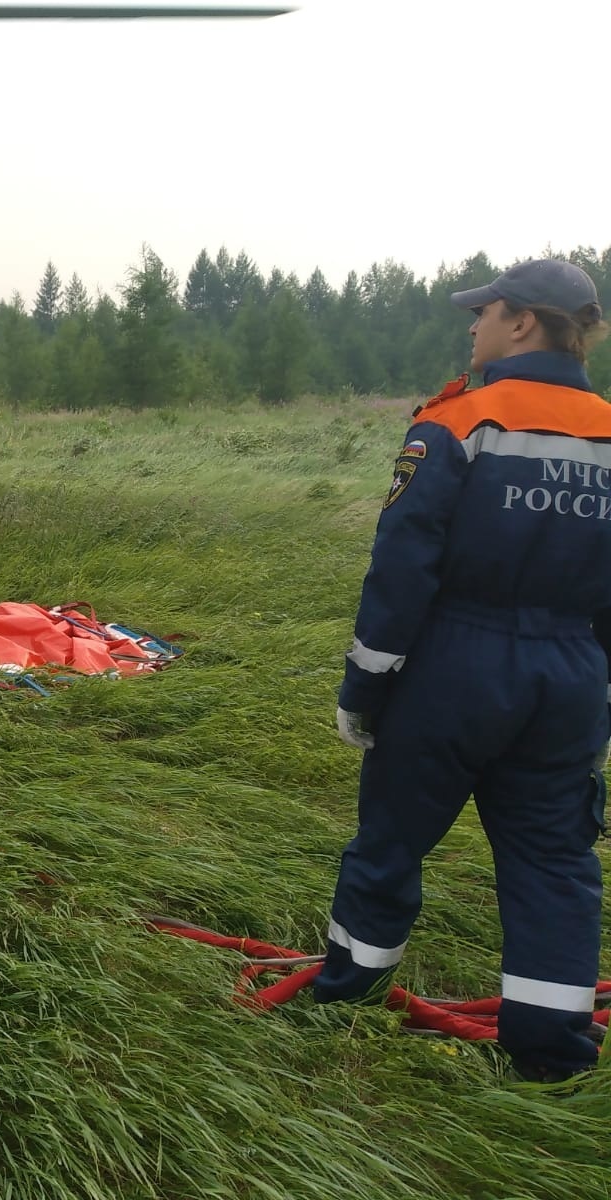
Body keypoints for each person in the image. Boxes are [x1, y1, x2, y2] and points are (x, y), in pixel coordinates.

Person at [317, 258, 611, 1084]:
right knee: (555, 862)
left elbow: (403, 568)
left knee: (391, 842)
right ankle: (552, 1055)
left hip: (457, 667)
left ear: (522, 323)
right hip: (571, 676)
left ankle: (347, 997)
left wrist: (365, 687)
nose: (471, 327)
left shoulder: (460, 422)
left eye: (482, 313)